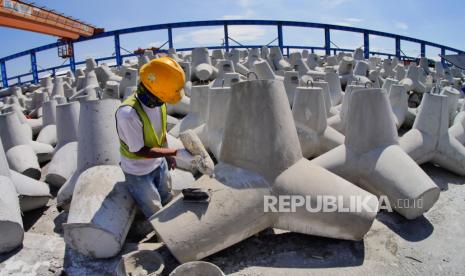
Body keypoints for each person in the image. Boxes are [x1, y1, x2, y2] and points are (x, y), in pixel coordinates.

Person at [115, 57, 185, 218]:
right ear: (154, 93)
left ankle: (171, 228)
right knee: (154, 209)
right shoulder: (128, 114)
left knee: (167, 197)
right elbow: (140, 151)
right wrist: (175, 153)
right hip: (138, 172)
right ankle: (161, 235)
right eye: (164, 98)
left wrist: (168, 155)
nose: (166, 101)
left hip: (159, 164)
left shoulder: (159, 103)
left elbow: (161, 131)